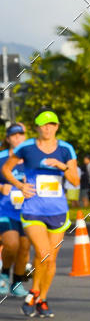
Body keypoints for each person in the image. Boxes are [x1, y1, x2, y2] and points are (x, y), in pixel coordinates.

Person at [2, 108, 79, 318]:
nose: (47, 128)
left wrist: (62, 166)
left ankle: (41, 298)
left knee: (50, 260)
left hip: (58, 211)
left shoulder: (66, 149)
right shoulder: (27, 147)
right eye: (43, 124)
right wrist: (20, 185)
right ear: (37, 127)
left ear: (57, 126)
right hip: (33, 209)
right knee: (43, 253)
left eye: (51, 124)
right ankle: (35, 291)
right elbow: (6, 169)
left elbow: (75, 181)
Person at [0, 123, 31, 298]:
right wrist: (1, 186)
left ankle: (17, 282)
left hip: (27, 210)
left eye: (21, 135)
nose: (18, 138)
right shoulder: (2, 157)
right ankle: (4, 273)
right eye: (14, 135)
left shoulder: (31, 157)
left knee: (24, 248)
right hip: (5, 209)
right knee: (12, 245)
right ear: (8, 138)